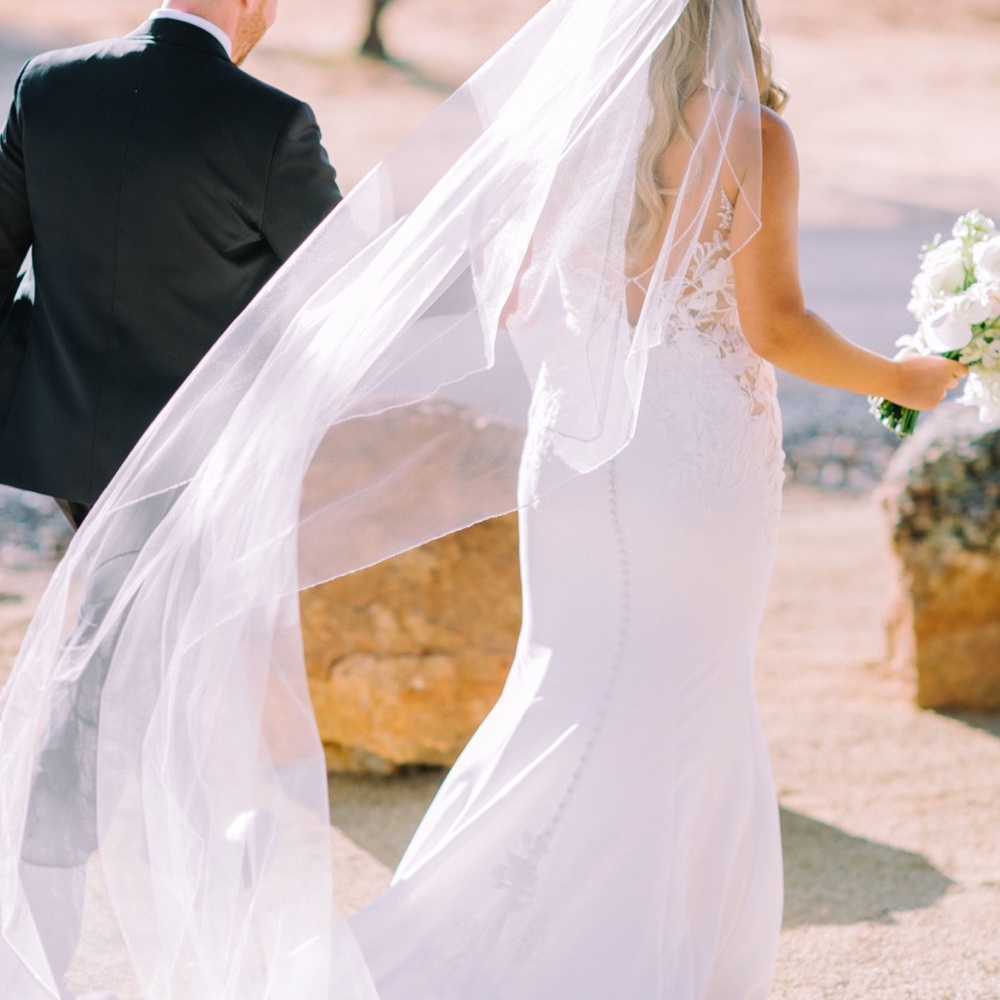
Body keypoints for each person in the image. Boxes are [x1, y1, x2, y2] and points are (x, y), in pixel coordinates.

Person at [0, 0, 964, 998]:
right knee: (686, 691)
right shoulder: (748, 135)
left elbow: (504, 300)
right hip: (698, 455)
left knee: (563, 684)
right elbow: (778, 323)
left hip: (574, 460)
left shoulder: (570, 119)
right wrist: (901, 382)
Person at [0, 0, 342, 530]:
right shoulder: (273, 123)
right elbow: (348, 280)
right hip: (198, 460)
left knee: (114, 604)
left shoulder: (45, 82)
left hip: (64, 442)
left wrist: (28, 386)